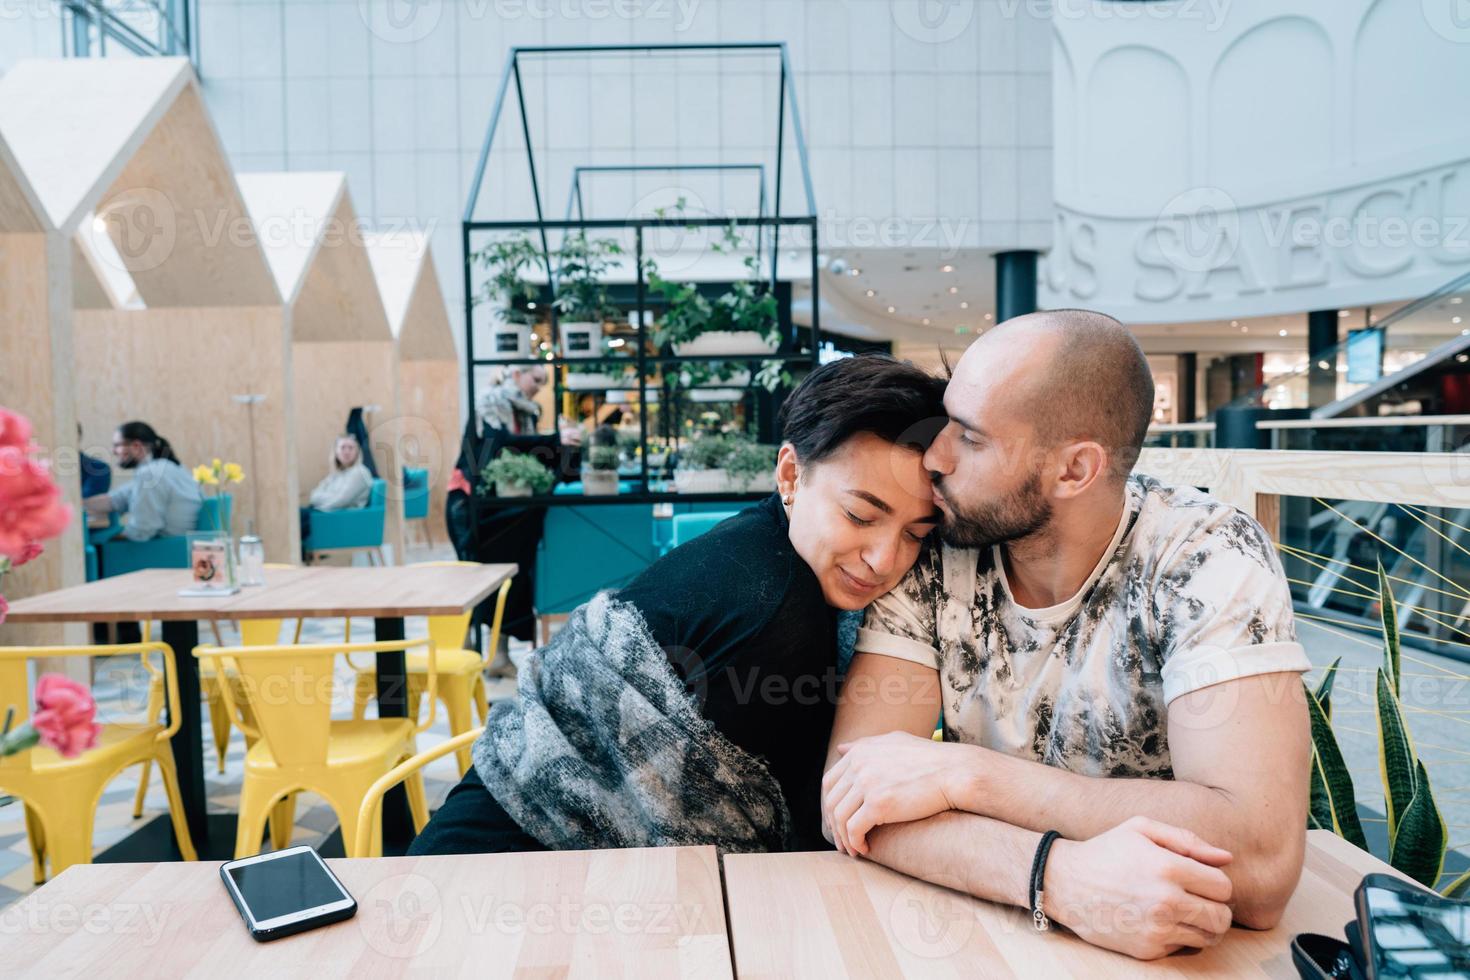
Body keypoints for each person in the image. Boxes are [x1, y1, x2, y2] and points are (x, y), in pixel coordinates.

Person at [820, 310, 1312, 962]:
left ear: (1075, 470)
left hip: (1173, 952)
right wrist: (1057, 880)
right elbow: (852, 803)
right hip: (979, 940)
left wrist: (969, 777)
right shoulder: (937, 543)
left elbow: (1260, 864)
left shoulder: (1203, 553)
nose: (933, 458)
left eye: (969, 438)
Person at [411, 353, 947, 856]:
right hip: (482, 894)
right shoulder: (781, 615)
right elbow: (799, 847)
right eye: (860, 516)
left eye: (916, 533)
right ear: (790, 474)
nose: (884, 559)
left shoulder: (758, 542)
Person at [448, 365, 583, 656]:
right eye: (536, 379)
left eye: (543, 382)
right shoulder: (491, 402)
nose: (538, 386)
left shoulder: (529, 413)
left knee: (514, 579)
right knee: (473, 578)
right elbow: (499, 444)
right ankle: (464, 655)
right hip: (472, 503)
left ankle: (498, 654)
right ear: (517, 374)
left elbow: (527, 453)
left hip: (508, 505)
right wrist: (553, 440)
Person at [82, 421, 201, 542]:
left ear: (136, 447)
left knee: (93, 543)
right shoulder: (166, 468)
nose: (113, 451)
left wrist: (107, 540)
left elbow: (141, 531)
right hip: (178, 546)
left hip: (165, 549)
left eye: (117, 445)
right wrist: (79, 504)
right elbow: (116, 499)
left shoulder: (150, 474)